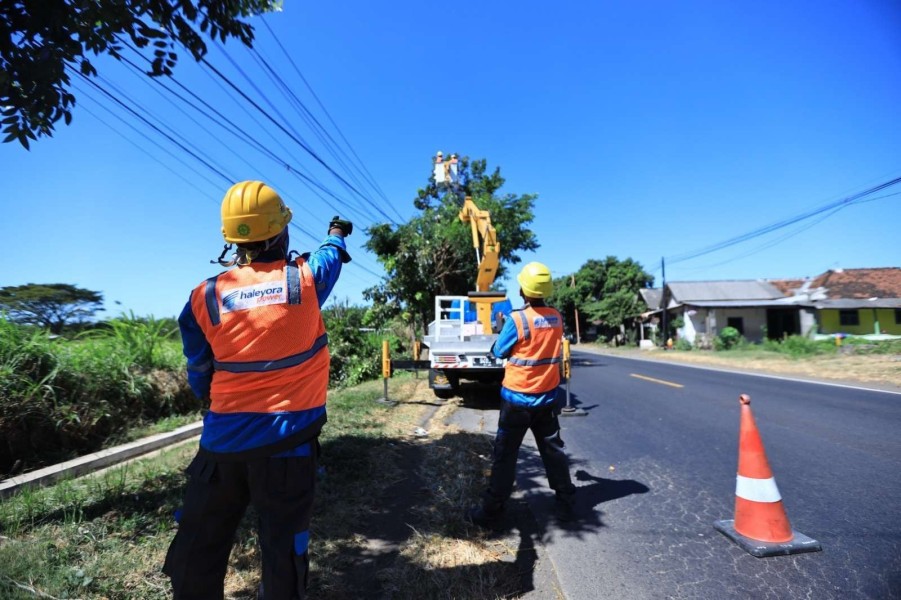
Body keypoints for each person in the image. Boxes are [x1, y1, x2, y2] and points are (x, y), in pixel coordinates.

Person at [163, 180, 352, 599]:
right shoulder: (303, 281)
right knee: (283, 550)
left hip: (221, 448)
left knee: (199, 547)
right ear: (282, 230)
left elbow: (199, 369)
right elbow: (330, 257)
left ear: (231, 240)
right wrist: (337, 232)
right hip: (289, 446)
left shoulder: (205, 296)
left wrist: (209, 398)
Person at [468, 262, 577, 528]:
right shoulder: (558, 317)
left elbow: (499, 351)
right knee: (553, 452)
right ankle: (565, 504)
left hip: (517, 401)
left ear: (522, 289)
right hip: (548, 399)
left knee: (505, 455)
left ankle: (491, 511)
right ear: (546, 290)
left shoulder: (517, 319)